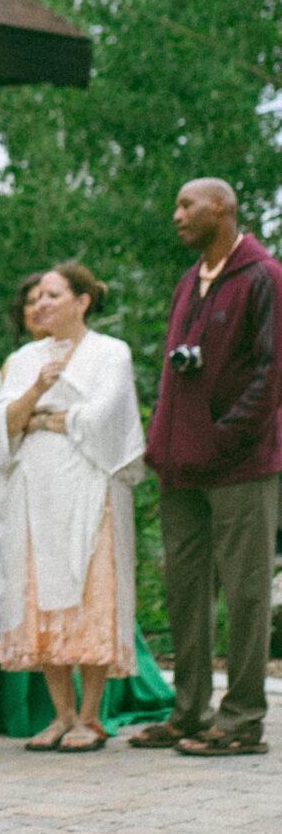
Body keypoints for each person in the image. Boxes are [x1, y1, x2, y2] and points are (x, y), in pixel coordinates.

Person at [127, 179, 282, 759]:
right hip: (181, 469)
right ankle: (188, 710)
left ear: (224, 208)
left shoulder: (265, 277)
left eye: (187, 205)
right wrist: (163, 441)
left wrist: (220, 440)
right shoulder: (189, 282)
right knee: (186, 591)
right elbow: (176, 370)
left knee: (244, 594)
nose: (177, 215)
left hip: (241, 467)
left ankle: (241, 720)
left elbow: (271, 377)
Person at [0, 263, 145, 751]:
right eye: (36, 298)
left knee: (92, 594)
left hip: (91, 487)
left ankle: (91, 717)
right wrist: (35, 391)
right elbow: (6, 424)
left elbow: (107, 415)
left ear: (81, 301)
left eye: (53, 295)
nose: (41, 304)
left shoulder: (109, 353)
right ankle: (60, 715)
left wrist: (53, 420)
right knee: (43, 595)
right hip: (37, 493)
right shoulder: (22, 358)